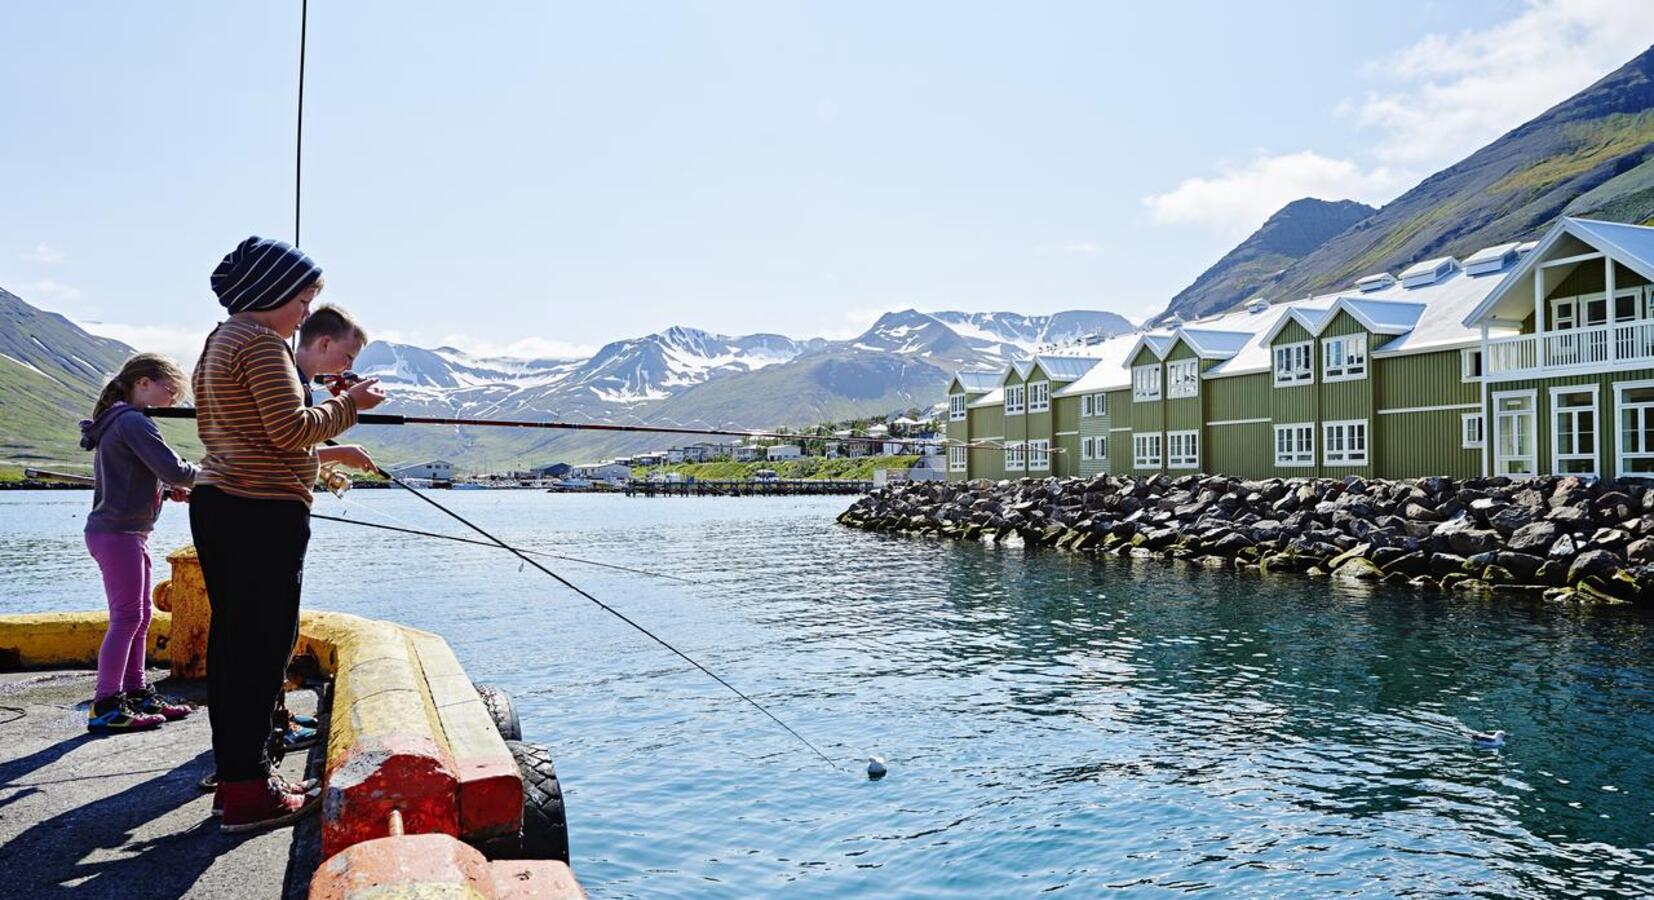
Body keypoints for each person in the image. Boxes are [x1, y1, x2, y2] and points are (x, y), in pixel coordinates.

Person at [190, 235, 385, 834]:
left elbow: (258, 425)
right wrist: (351, 405)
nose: (305, 312)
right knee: (260, 648)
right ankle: (249, 794)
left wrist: (321, 408)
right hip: (260, 513)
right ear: (271, 292)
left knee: (235, 647)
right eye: (302, 299)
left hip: (222, 503)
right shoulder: (262, 343)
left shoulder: (221, 341)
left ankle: (238, 779)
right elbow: (287, 430)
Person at [80, 353, 199, 733]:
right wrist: (218, 475)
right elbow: (172, 467)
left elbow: (139, 476)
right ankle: (106, 704)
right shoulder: (132, 420)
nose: (174, 400)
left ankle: (135, 691)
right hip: (119, 534)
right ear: (143, 383)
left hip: (124, 532)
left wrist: (166, 492)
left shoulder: (120, 419)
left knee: (140, 616)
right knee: (127, 618)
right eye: (171, 390)